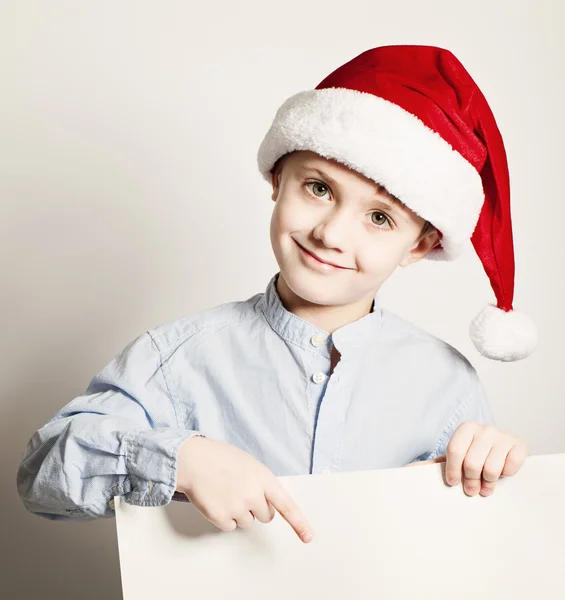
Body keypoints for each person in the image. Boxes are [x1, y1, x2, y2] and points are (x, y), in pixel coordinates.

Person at [16, 45, 538, 545]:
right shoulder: (176, 360)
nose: (332, 234)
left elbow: (471, 548)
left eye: (380, 218)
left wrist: (491, 475)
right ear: (278, 175)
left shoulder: (446, 384)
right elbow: (41, 477)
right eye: (318, 188)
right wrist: (182, 460)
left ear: (419, 245)